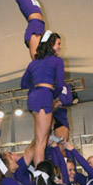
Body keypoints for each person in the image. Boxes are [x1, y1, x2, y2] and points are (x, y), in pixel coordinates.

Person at [21, 32, 64, 167]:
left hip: (34, 97)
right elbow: (60, 84)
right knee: (41, 141)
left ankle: (31, 169)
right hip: (45, 96)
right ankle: (41, 176)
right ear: (51, 45)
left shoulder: (33, 63)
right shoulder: (57, 61)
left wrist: (36, 86)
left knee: (39, 138)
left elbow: (23, 84)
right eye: (58, 44)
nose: (60, 47)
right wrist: (52, 95)